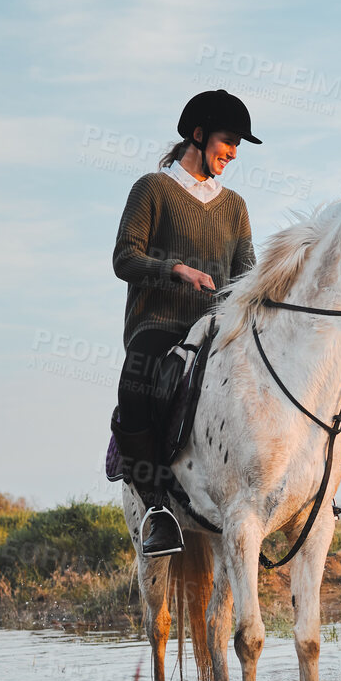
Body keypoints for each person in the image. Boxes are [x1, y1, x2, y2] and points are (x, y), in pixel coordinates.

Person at [111, 89, 259, 556]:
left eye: (237, 145)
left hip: (217, 329)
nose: (233, 153)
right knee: (134, 393)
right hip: (159, 322)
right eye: (228, 141)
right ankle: (156, 509)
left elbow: (246, 271)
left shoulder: (235, 206)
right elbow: (124, 257)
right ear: (198, 135)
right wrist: (174, 269)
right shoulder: (151, 189)